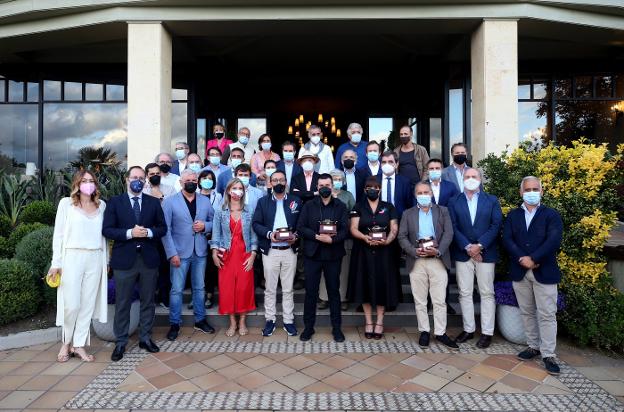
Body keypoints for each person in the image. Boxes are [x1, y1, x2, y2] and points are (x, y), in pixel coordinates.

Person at [102, 166, 167, 362]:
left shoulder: (154, 203)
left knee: (148, 301)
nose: (137, 180)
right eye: (134, 177)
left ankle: (145, 338)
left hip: (148, 260)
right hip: (124, 261)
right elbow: (108, 230)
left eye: (141, 177)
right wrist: (130, 233)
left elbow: (162, 228)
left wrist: (148, 232)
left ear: (145, 180)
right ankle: (120, 341)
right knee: (123, 302)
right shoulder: (114, 202)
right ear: (127, 179)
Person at [503, 176, 563, 375]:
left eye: (535, 189)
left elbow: (553, 240)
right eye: (527, 189)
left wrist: (535, 257)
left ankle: (548, 354)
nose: (531, 192)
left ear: (542, 191)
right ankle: (533, 346)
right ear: (521, 192)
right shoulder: (513, 215)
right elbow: (507, 239)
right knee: (527, 311)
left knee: (547, 314)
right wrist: (522, 258)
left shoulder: (551, 215)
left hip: (544, 271)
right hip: (520, 271)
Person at [49, 170, 108, 363]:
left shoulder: (102, 206)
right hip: (72, 257)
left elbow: (104, 237)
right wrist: (55, 263)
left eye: (91, 181)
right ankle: (66, 342)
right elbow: (58, 235)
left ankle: (79, 345)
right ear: (77, 183)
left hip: (95, 257)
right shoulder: (66, 204)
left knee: (87, 305)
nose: (88, 184)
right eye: (84, 181)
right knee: (71, 305)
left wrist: (105, 262)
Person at [398, 181, 458, 349]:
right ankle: (424, 331)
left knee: (439, 300)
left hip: (437, 260)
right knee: (420, 300)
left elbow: (449, 233)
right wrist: (414, 251)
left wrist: (438, 251)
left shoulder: (443, 211)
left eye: (426, 192)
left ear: (431, 193)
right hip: (416, 261)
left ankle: (440, 332)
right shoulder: (407, 214)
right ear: (415, 195)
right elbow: (402, 236)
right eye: (420, 192)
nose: (423, 195)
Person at [447, 168, 503, 349]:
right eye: (467, 177)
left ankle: (487, 332)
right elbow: (453, 226)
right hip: (463, 253)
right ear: (462, 180)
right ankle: (468, 329)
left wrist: (479, 246)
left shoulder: (492, 200)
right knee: (465, 292)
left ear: (480, 179)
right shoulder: (454, 201)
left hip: (485, 253)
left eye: (474, 176)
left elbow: (496, 225)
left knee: (487, 293)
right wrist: (468, 247)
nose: (471, 179)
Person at [161, 169, 216, 341]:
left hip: (200, 251)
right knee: (176, 290)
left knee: (199, 288)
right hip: (179, 253)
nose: (191, 182)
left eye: (194, 179)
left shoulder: (205, 201)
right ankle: (174, 323)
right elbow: (166, 230)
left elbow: (214, 222)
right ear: (181, 182)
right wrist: (171, 254)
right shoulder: (169, 202)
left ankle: (200, 320)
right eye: (188, 180)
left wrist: (205, 226)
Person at [296, 173, 349, 343]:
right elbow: (301, 227)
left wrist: (332, 239)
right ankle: (308, 328)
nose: (324, 188)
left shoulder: (340, 206)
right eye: (321, 185)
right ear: (317, 188)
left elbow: (345, 230)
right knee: (311, 293)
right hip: (313, 254)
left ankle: (337, 329)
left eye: (327, 184)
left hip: (333, 254)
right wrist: (317, 236)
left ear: (332, 186)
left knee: (334, 293)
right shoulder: (309, 205)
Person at [347, 176, 400, 340]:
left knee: (383, 285)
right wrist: (365, 238)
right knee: (364, 285)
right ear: (364, 190)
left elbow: (394, 228)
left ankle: (380, 322)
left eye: (376, 187)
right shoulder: (358, 207)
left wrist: (388, 240)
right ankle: (369, 321)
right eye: (369, 187)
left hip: (385, 252)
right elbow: (353, 228)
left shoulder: (389, 207)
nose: (373, 190)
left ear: (380, 190)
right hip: (363, 252)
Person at [252, 170, 301, 337]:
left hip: (289, 251)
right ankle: (270, 320)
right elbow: (256, 223)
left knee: (288, 289)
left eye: (281, 180)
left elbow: (302, 223)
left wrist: (296, 236)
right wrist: (269, 234)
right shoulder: (263, 202)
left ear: (286, 182)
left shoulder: (296, 201)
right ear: (270, 183)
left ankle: (288, 320)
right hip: (271, 251)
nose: (279, 183)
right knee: (270, 289)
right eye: (275, 180)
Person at [211, 179, 258, 337]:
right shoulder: (221, 210)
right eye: (234, 188)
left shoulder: (249, 209)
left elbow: (253, 235)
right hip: (227, 254)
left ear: (244, 191)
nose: (237, 191)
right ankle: (232, 322)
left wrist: (253, 255)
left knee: (243, 288)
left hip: (244, 253)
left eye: (240, 188)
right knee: (227, 288)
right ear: (228, 190)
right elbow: (216, 234)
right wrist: (214, 253)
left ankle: (242, 321)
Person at [318, 169, 355, 311]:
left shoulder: (348, 196)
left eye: (340, 178)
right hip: (323, 238)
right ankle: (324, 297)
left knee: (343, 270)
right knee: (324, 270)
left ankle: (343, 298)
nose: (337, 181)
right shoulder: (322, 195)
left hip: (342, 238)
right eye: (334, 178)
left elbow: (354, 214)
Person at [197, 169, 222, 309]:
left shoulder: (218, 196)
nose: (207, 180)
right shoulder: (193, 195)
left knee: (210, 267)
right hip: (196, 236)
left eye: (210, 178)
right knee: (197, 268)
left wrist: (208, 228)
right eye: (204, 178)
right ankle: (197, 296)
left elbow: (221, 216)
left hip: (213, 236)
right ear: (199, 181)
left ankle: (209, 295)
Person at [376, 151, 414, 217]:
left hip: (399, 219)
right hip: (378, 220)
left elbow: (409, 204)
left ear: (396, 164)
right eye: (384, 162)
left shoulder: (405, 182)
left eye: (390, 162)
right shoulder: (374, 180)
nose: (387, 164)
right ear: (380, 165)